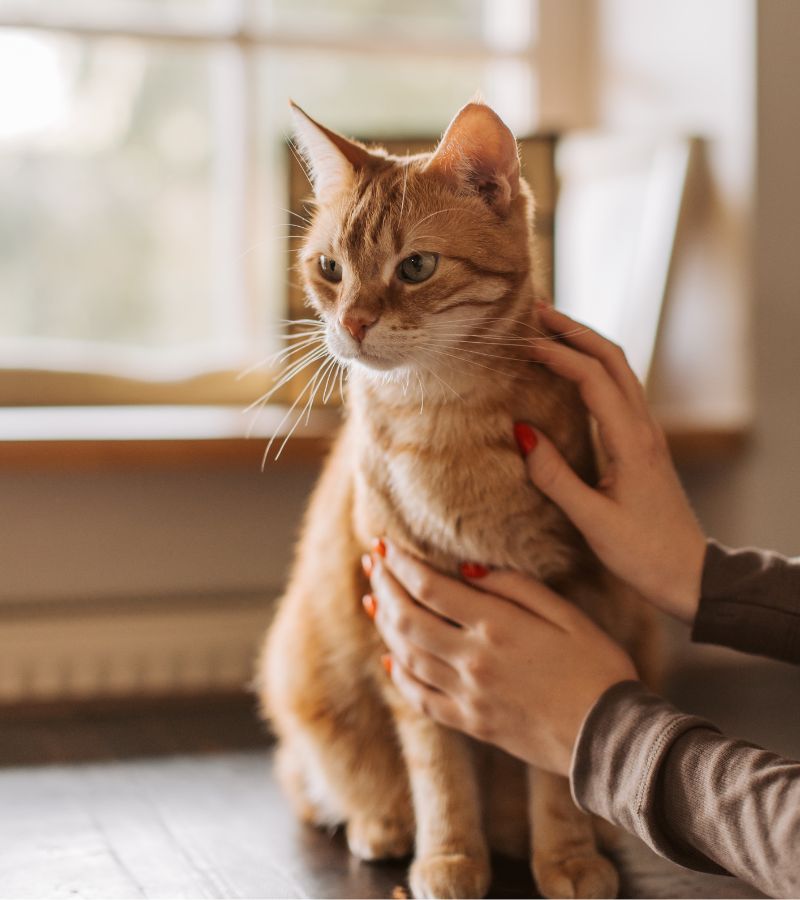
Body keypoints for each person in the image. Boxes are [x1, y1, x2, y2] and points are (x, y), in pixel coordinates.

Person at [362, 305, 800, 900]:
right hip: (395, 747)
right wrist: (700, 575)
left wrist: (612, 741)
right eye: (330, 271)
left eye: (415, 266)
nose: (353, 318)